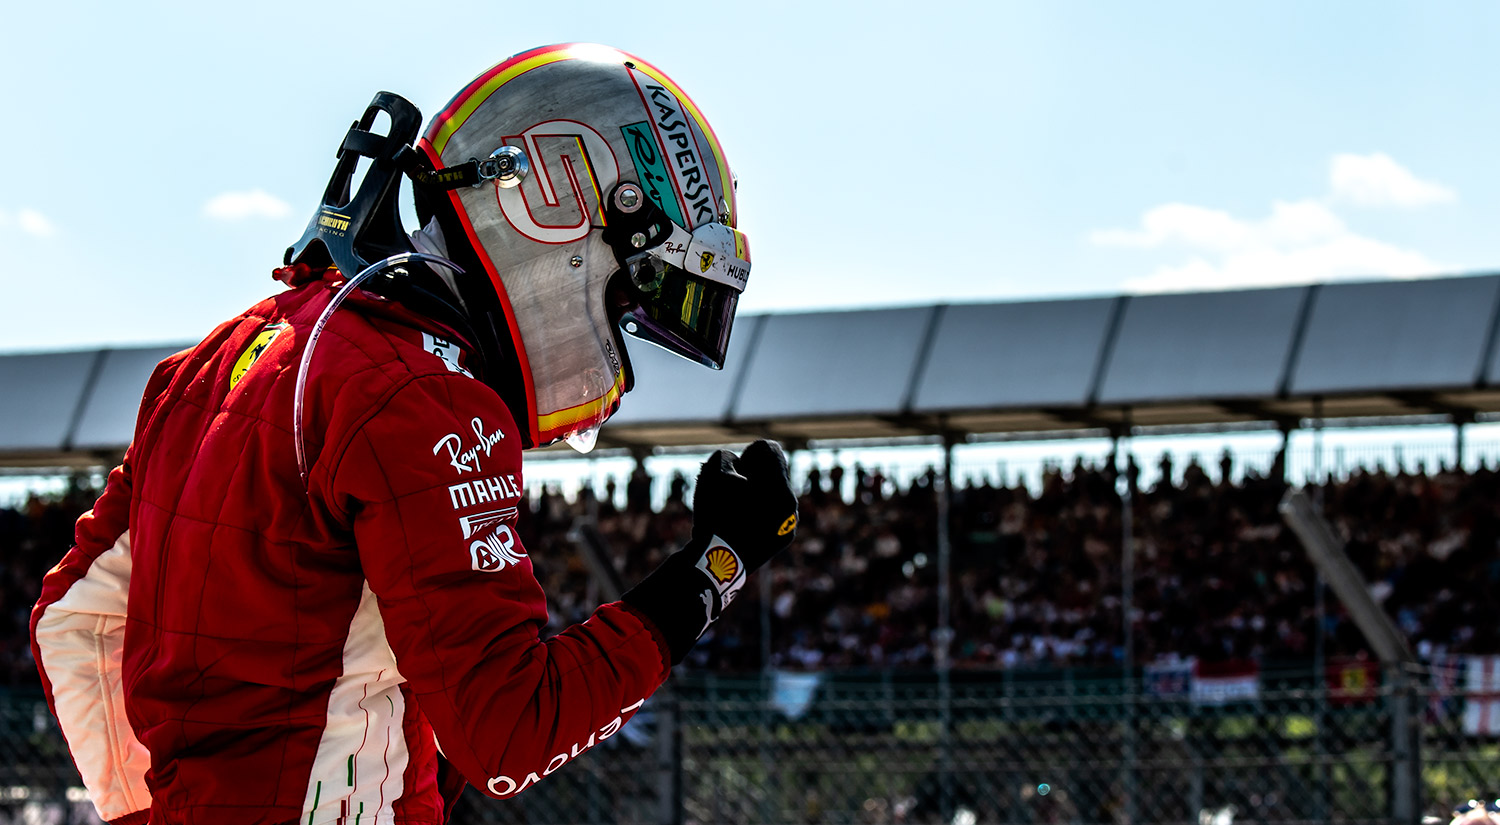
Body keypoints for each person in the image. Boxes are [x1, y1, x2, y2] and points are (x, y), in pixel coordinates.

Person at [30, 44, 795, 825]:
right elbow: (510, 733)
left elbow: (72, 621)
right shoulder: (425, 397)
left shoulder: (215, 356)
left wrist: (150, 809)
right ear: (559, 217)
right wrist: (713, 569)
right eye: (630, 301)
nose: (621, 343)